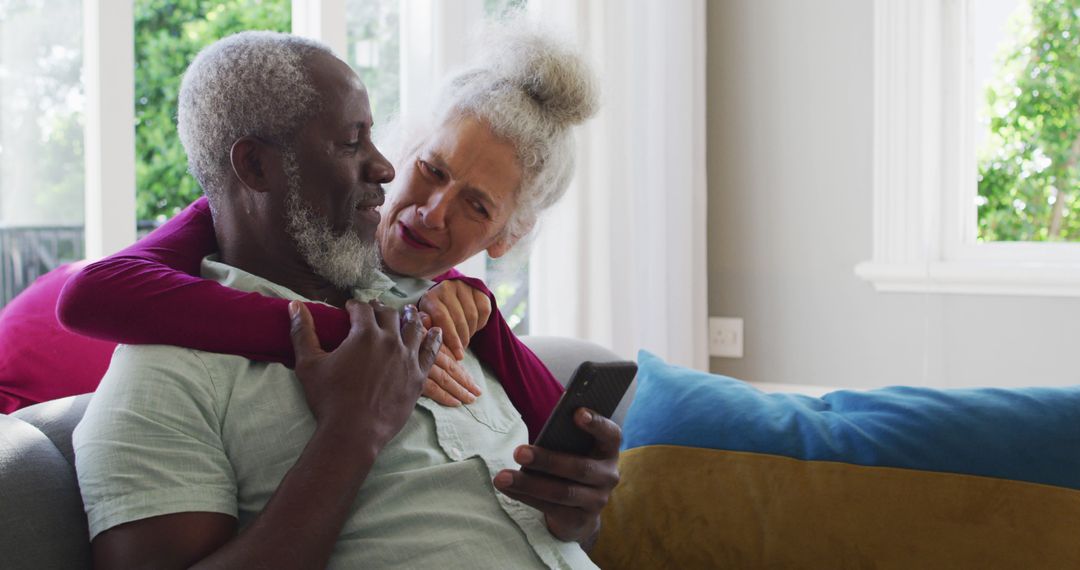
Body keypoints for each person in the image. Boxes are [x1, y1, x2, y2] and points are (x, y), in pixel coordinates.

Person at [73, 29, 618, 569]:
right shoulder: (167, 375)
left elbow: (561, 534)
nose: (385, 167)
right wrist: (351, 431)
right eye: (351, 142)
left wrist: (579, 515)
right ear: (258, 167)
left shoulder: (438, 311)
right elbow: (91, 293)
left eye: (477, 206)